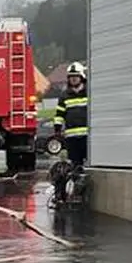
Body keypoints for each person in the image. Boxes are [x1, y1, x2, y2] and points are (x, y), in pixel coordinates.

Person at [51, 62, 89, 203]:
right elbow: (59, 114)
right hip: (72, 138)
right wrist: (57, 130)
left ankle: (83, 192)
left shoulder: (88, 93)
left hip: (87, 137)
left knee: (86, 166)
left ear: (81, 77)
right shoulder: (64, 96)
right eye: (71, 77)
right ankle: (74, 194)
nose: (73, 79)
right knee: (74, 166)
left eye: (76, 76)